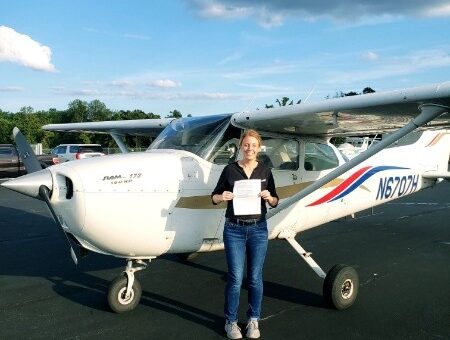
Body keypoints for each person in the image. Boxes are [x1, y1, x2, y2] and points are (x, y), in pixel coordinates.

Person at [211, 129, 279, 339]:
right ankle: (230, 322)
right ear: (241, 146)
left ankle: (253, 320)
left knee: (255, 278)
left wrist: (269, 197)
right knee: (235, 277)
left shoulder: (265, 171)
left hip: (258, 228)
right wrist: (221, 196)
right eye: (246, 145)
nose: (249, 148)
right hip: (234, 229)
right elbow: (213, 197)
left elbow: (276, 200)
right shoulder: (230, 170)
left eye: (253, 145)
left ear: (259, 148)